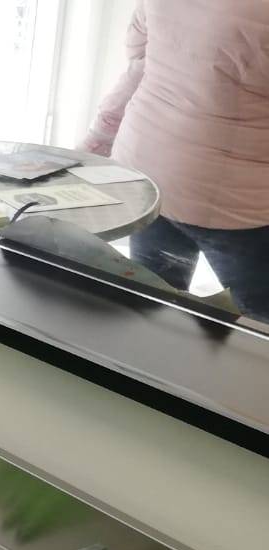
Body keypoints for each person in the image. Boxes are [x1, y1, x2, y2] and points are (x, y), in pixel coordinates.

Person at [80, 0, 269, 320]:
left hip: (149, 176)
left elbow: (138, 59)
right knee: (258, 326)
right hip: (237, 205)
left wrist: (97, 139)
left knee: (151, 304)